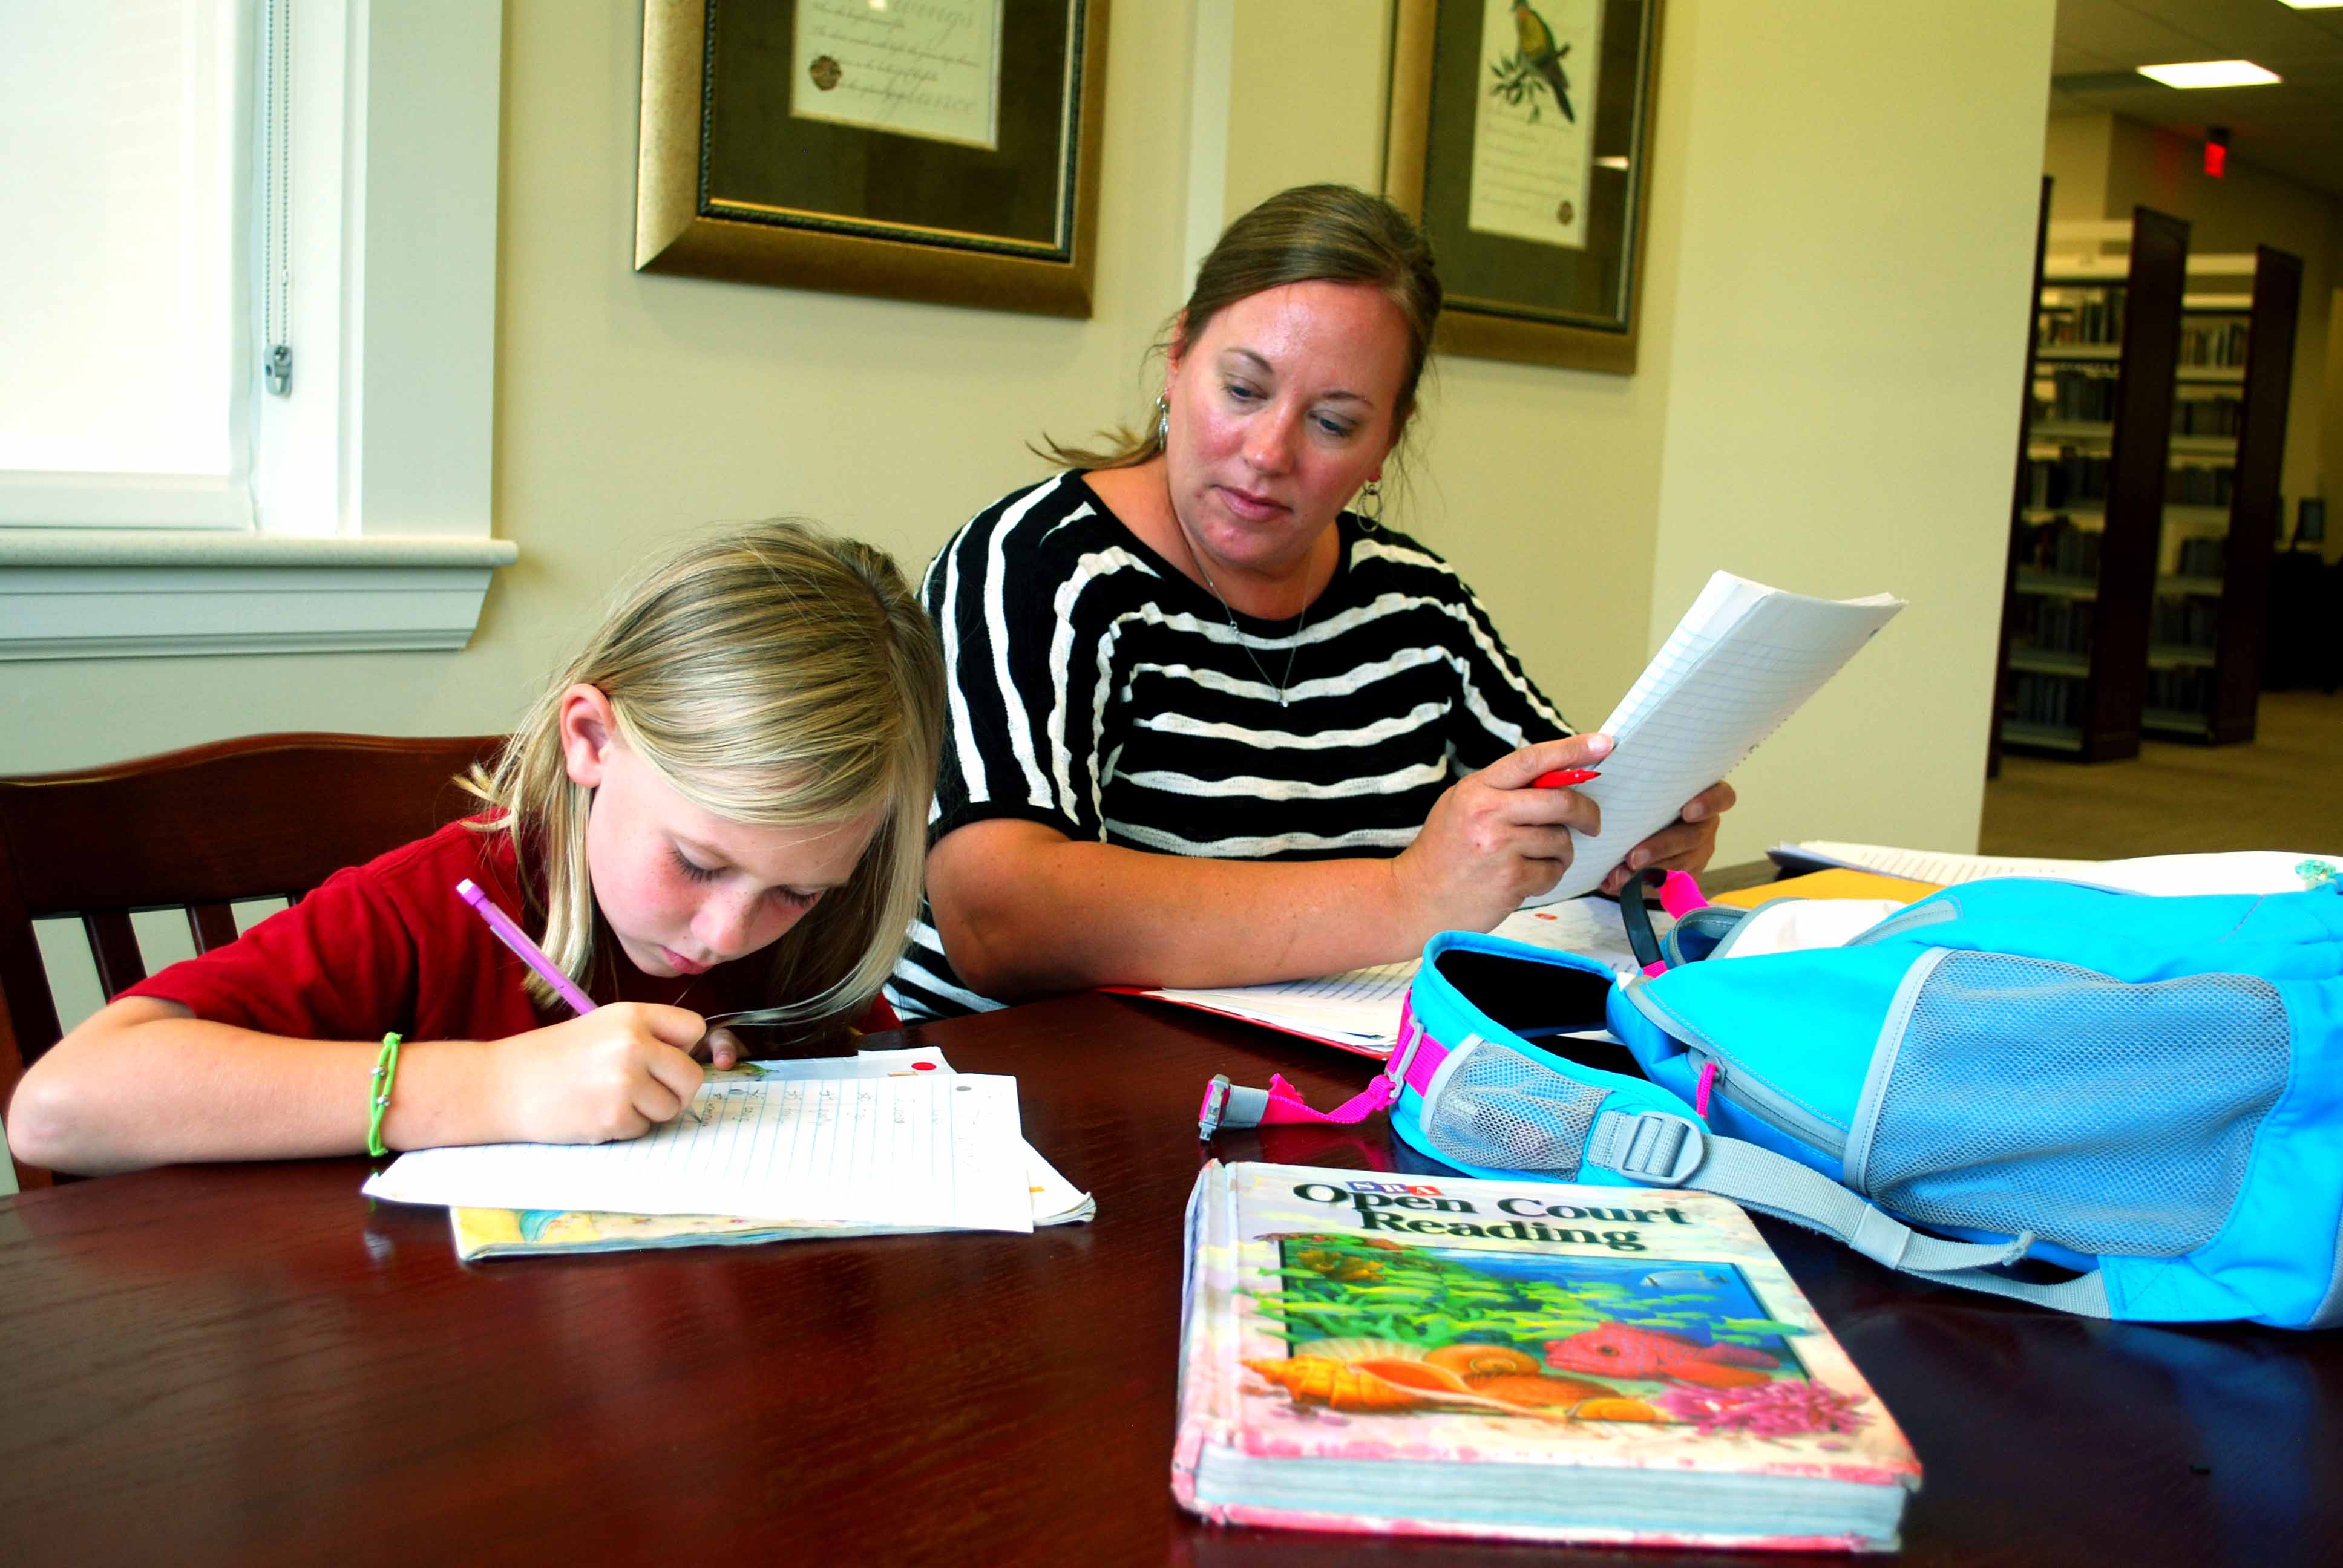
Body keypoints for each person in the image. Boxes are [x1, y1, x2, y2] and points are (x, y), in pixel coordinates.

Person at [887, 185, 1733, 1022]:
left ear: (1384, 445)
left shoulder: (1417, 606)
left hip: (1298, 1081)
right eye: (1244, 391)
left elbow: (1555, 810)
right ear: (1178, 359)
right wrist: (1408, 895)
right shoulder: (1038, 567)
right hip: (1008, 1089)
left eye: (1332, 423)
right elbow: (999, 918)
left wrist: (1633, 834)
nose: (1266, 452)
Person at [10, 521, 945, 1175]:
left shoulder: (815, 931)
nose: (727, 932)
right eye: (698, 864)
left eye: (798, 893)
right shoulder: (432, 904)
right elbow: (61, 1109)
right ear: (591, 740)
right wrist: (491, 1087)